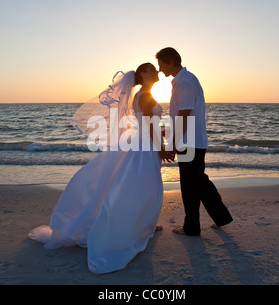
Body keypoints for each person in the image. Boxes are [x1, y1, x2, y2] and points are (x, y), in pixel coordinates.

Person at [29, 63, 165, 274]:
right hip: (145, 145)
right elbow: (149, 125)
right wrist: (162, 147)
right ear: (144, 74)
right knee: (145, 187)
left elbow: (149, 124)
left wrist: (160, 136)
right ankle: (137, 227)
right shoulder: (145, 96)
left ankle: (144, 225)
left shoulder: (141, 95)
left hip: (141, 142)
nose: (157, 72)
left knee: (142, 186)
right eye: (152, 70)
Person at [156, 47, 233, 236]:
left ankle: (191, 227)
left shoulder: (185, 82)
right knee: (198, 181)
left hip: (189, 141)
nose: (160, 69)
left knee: (191, 184)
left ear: (172, 62)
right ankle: (221, 217)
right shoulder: (184, 80)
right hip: (193, 139)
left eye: (161, 64)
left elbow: (184, 115)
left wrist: (173, 144)